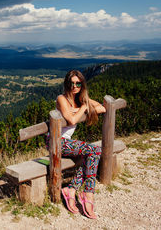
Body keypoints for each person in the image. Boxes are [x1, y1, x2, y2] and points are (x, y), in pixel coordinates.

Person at [57, 70, 106, 219]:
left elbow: (103, 108)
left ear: (82, 84)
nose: (74, 86)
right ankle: (88, 193)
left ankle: (72, 190)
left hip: (68, 142)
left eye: (78, 83)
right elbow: (71, 120)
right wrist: (85, 108)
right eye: (71, 83)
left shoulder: (81, 99)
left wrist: (86, 102)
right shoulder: (62, 99)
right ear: (67, 84)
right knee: (94, 151)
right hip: (56, 142)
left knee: (91, 154)